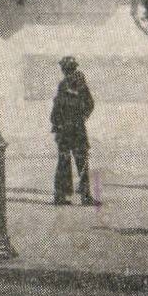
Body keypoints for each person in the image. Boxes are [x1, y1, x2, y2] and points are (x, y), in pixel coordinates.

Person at [51, 56, 97, 206]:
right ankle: (83, 196)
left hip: (67, 129)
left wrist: (57, 123)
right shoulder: (76, 84)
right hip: (75, 128)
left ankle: (62, 195)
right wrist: (82, 116)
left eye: (65, 69)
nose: (65, 71)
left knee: (66, 161)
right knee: (80, 161)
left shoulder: (67, 84)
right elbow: (90, 104)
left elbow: (57, 107)